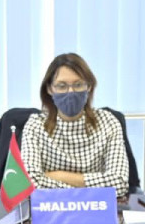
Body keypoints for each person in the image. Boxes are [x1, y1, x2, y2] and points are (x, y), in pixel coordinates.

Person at [20, 52, 130, 197]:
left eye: (78, 85)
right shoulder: (36, 125)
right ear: (49, 89)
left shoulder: (108, 122)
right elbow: (30, 183)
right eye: (62, 86)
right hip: (52, 208)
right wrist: (92, 188)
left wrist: (58, 176)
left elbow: (120, 183)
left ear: (89, 86)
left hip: (96, 208)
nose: (70, 92)